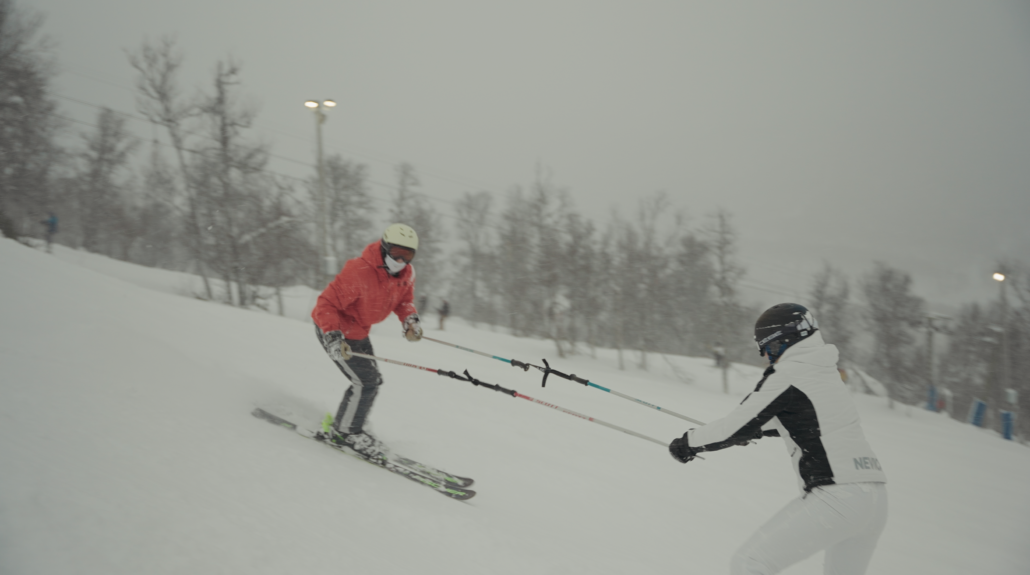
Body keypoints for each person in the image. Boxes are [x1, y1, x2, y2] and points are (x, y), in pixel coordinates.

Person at [669, 303, 887, 575]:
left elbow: (736, 426)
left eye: (770, 350)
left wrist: (688, 443)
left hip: (838, 496)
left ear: (786, 341)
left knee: (750, 563)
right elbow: (808, 421)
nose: (770, 358)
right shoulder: (823, 371)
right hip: (874, 500)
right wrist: (754, 428)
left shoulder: (788, 374)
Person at [311, 223, 423, 460]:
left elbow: (404, 301)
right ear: (384, 247)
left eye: (408, 255)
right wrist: (333, 336)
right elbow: (326, 304)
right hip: (334, 329)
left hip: (359, 331)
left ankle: (351, 424)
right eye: (396, 253)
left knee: (372, 381)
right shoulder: (359, 271)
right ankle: (345, 432)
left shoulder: (407, 275)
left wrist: (410, 321)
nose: (401, 260)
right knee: (365, 382)